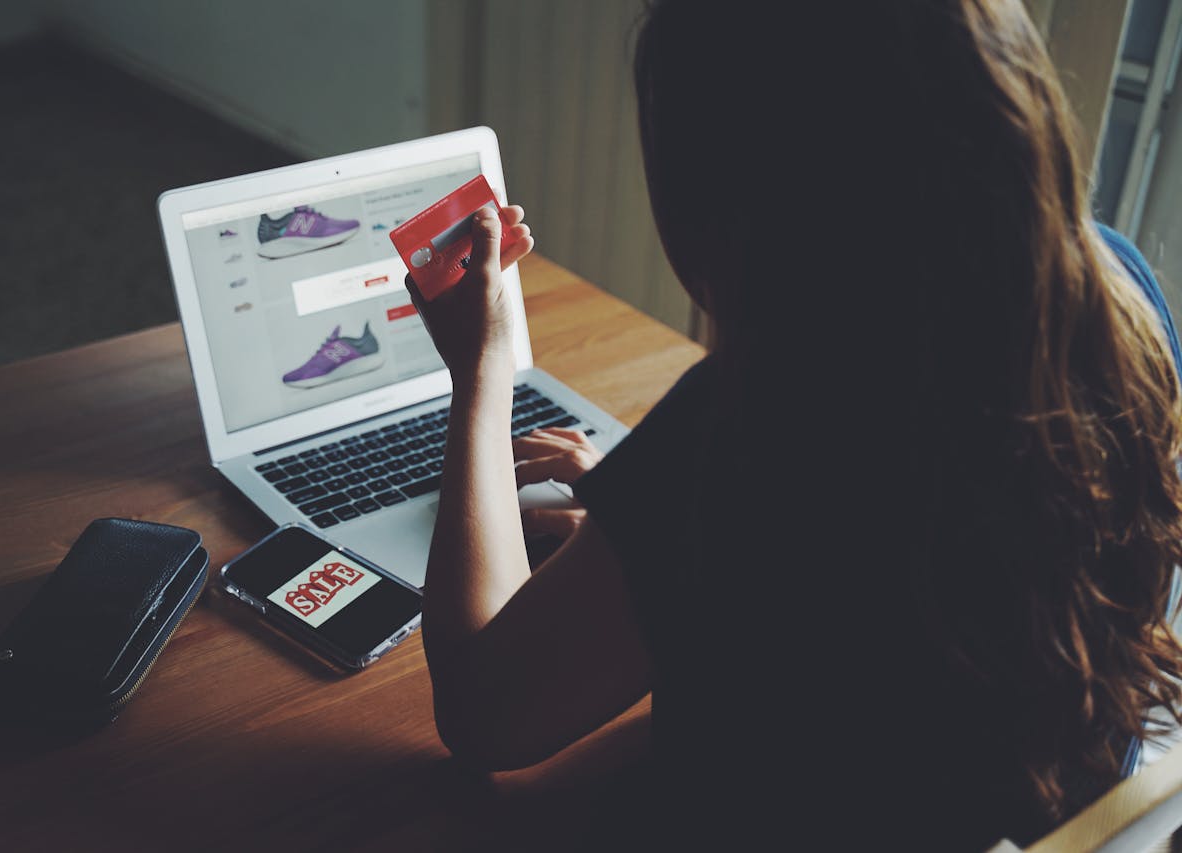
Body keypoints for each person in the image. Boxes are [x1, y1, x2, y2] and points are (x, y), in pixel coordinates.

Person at [405, 1, 1182, 848]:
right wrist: (647, 527)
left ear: (737, 201)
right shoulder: (1122, 299)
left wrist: (481, 364)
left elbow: (483, 714)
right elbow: (883, 592)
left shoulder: (761, 427)